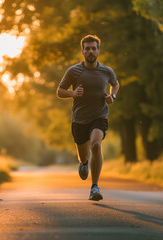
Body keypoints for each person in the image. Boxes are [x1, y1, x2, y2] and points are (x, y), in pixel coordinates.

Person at [57, 35, 119, 201]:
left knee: (96, 145)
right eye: (87, 49)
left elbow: (115, 83)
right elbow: (59, 91)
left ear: (98, 50)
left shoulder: (107, 71)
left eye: (94, 48)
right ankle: (84, 164)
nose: (91, 51)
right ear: (82, 51)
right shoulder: (73, 71)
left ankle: (94, 187)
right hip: (79, 120)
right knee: (83, 156)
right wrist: (72, 93)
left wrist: (112, 97)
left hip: (99, 116)